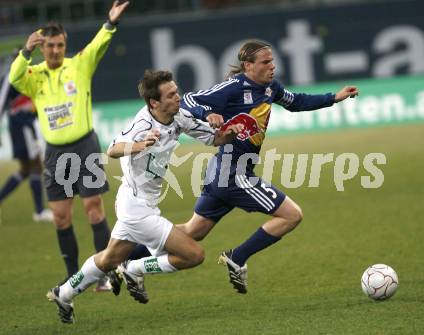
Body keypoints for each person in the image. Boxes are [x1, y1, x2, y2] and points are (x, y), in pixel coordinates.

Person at [46, 69, 243, 323]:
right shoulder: (143, 124)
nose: (178, 97)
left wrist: (231, 131)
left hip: (138, 202)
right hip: (136, 208)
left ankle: (63, 293)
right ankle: (134, 268)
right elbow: (113, 150)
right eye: (171, 95)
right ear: (154, 102)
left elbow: (216, 139)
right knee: (194, 255)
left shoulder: (178, 117)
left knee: (109, 258)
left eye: (176, 91)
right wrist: (141, 145)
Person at [175, 39, 360, 294]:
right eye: (265, 62)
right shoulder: (233, 87)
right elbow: (187, 100)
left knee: (191, 232)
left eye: (272, 61)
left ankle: (129, 252)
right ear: (248, 65)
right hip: (233, 174)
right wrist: (207, 114)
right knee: (291, 215)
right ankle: (237, 257)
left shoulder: (270, 87)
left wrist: (334, 98)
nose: (272, 66)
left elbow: (296, 102)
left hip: (224, 172)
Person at [8, 0, 129, 289]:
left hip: (84, 146)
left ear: (65, 45)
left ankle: (105, 273)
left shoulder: (79, 65)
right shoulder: (34, 75)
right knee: (61, 218)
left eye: (59, 45)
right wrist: (25, 51)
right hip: (55, 153)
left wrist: (110, 22)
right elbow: (13, 77)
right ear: (42, 47)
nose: (54, 51)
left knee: (94, 209)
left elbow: (99, 43)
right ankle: (75, 277)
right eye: (49, 46)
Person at [0, 69, 53, 222]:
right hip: (22, 126)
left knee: (25, 169)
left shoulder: (24, 77)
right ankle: (39, 211)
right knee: (36, 165)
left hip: (20, 125)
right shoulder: (14, 78)